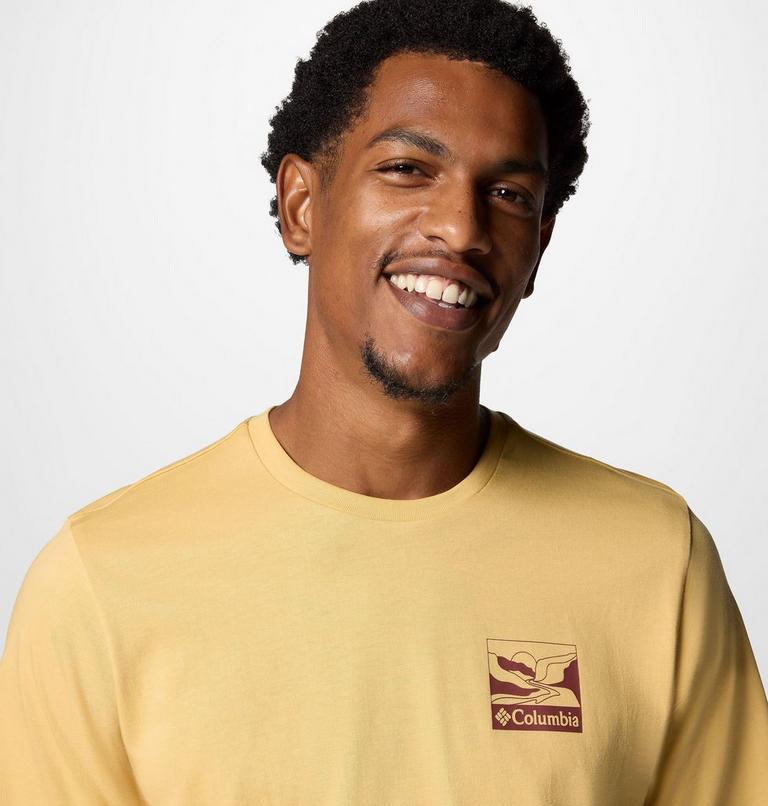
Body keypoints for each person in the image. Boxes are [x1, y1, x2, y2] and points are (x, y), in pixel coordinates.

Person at [2, 0, 766, 802]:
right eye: (407, 169)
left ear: (539, 247)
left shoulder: (657, 562)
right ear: (301, 206)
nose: (461, 229)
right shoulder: (101, 583)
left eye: (508, 193)